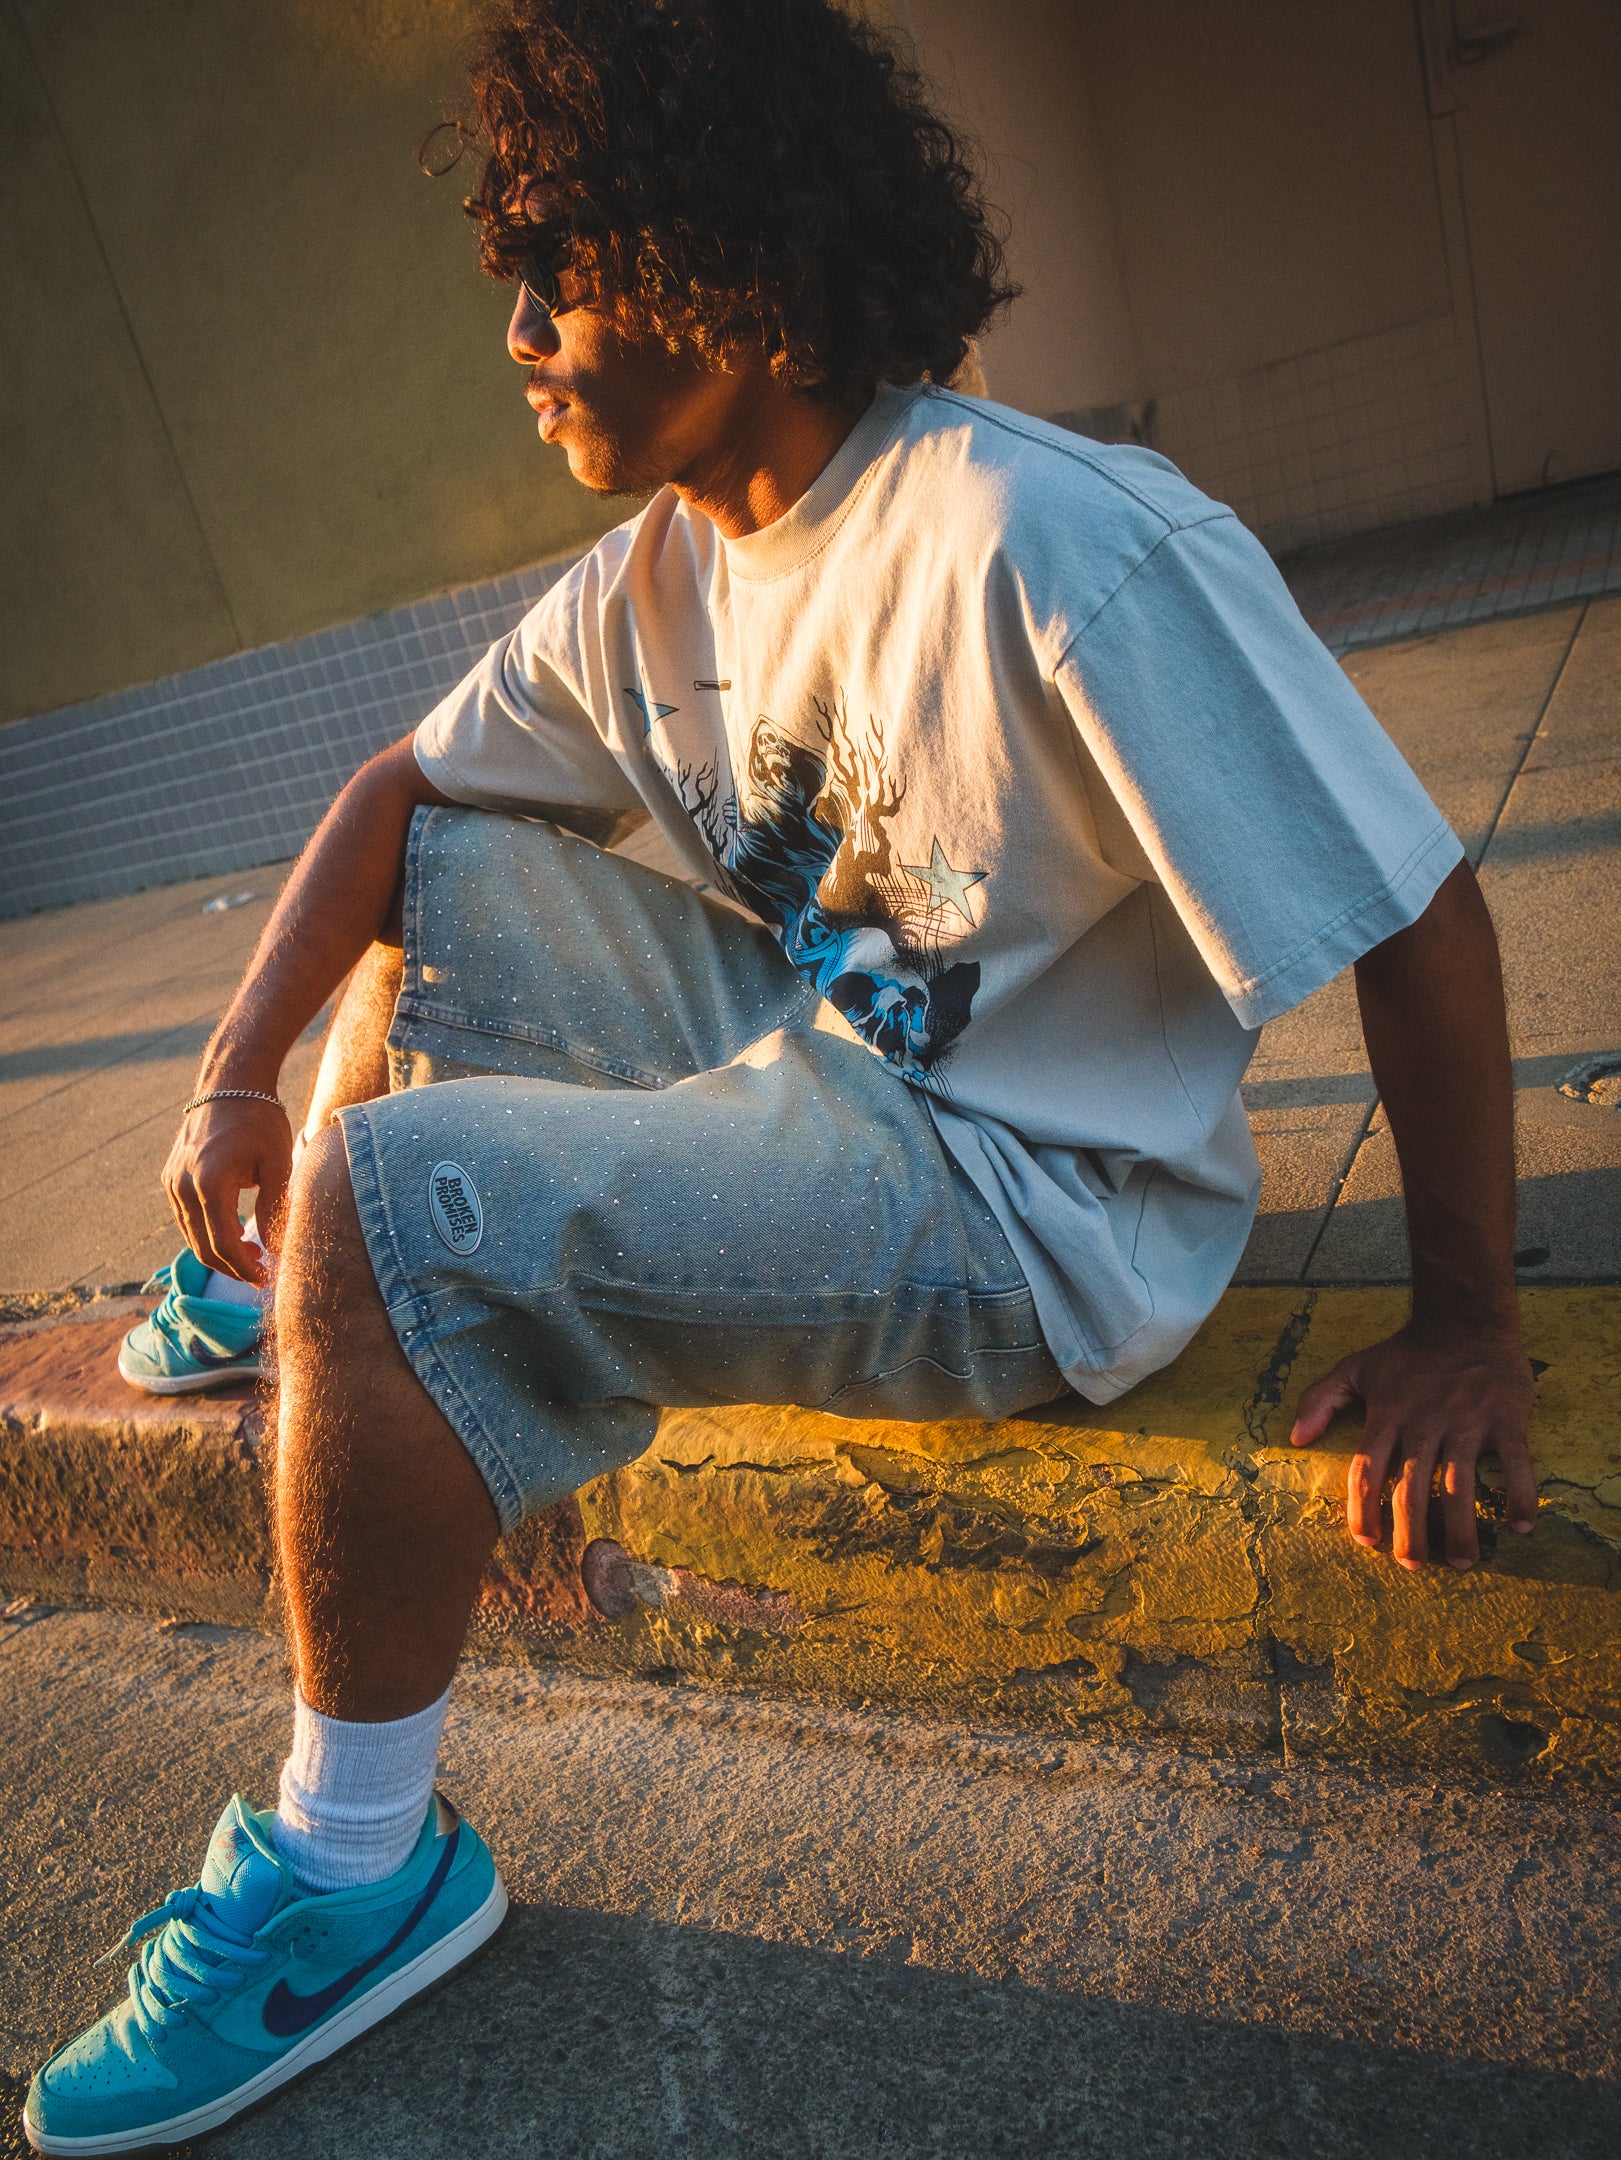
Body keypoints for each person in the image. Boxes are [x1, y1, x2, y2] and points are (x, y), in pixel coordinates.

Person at [25, 0, 1537, 2148]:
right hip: (844, 1063)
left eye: (562, 272)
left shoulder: (1043, 538)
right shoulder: (661, 571)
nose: (521, 334)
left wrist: (1470, 1322)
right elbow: (395, 789)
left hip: (1040, 1217)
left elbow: (1415, 912)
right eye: (510, 278)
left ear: (724, 268)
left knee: (395, 1199)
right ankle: (299, 1298)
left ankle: (357, 1865)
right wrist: (230, 1077)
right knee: (440, 875)